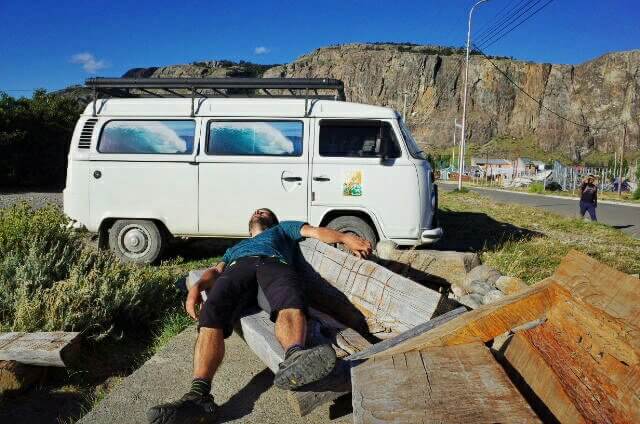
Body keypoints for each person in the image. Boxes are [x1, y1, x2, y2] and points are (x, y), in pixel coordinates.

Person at [147, 208, 372, 423]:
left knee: (288, 296)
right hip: (238, 269)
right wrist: (197, 287)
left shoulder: (282, 229)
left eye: (264, 211)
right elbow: (216, 270)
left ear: (272, 220)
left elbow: (315, 231)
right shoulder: (236, 248)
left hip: (272, 263)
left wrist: (344, 237)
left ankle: (295, 356)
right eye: (256, 211)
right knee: (212, 312)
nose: (258, 212)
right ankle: (198, 397)